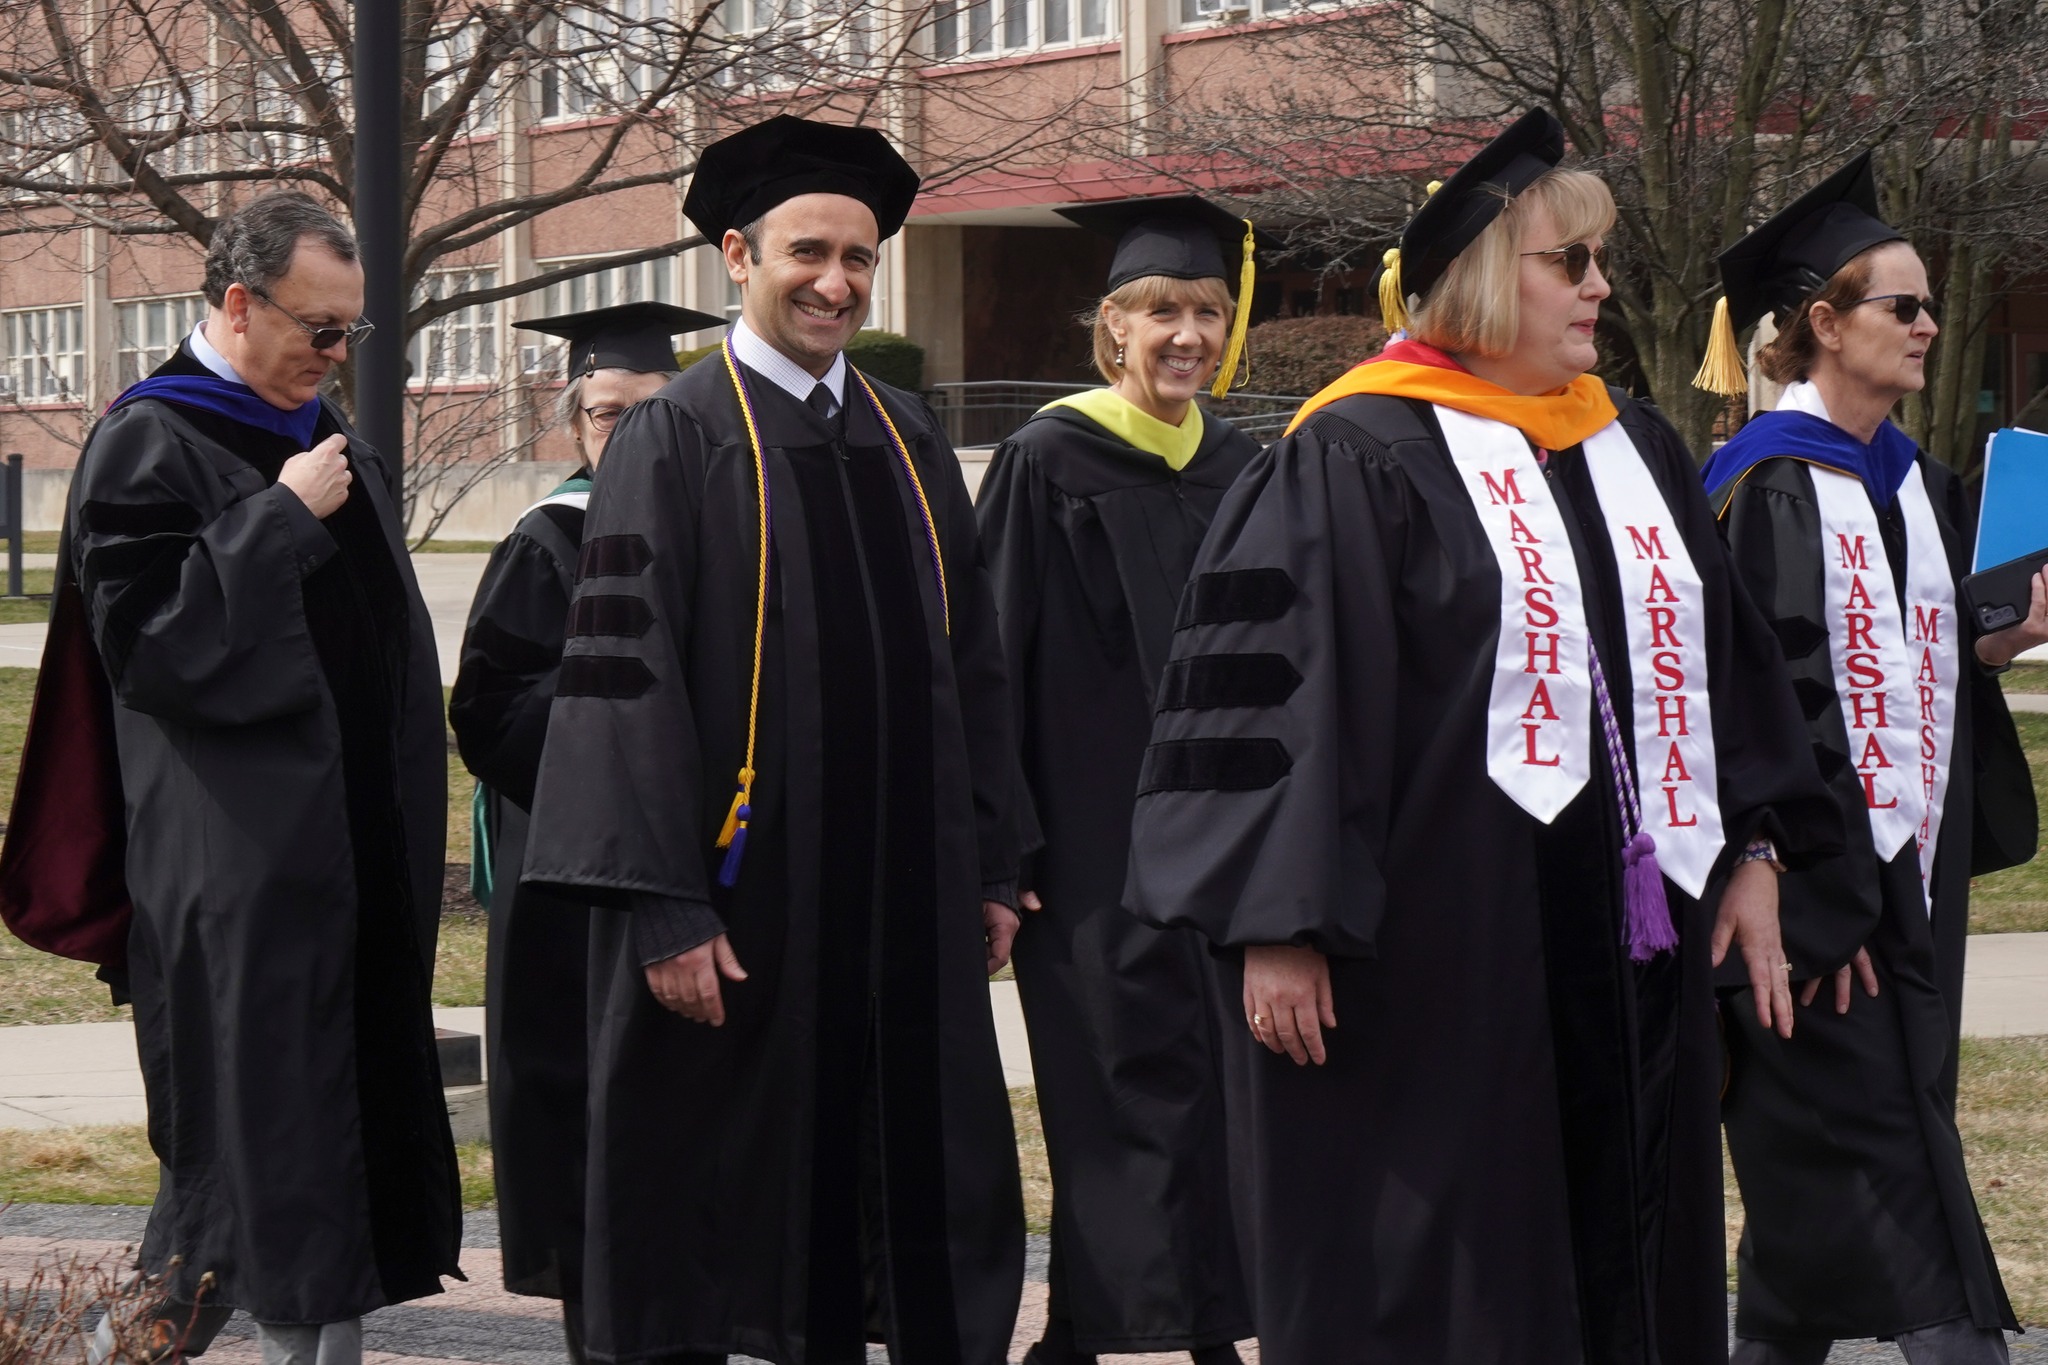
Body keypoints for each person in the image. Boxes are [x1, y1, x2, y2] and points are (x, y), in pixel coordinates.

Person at [1122, 108, 1843, 1364]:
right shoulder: (1350, 453)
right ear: (1480, 279)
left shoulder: (1633, 446)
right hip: (1430, 958)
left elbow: (1722, 669)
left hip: (1631, 953)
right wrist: (1275, 924)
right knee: (1445, 1270)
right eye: (1569, 262)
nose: (1599, 286)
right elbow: (1272, 706)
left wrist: (1757, 851)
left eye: (1599, 261)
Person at [519, 115, 1025, 1365]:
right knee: (717, 1212)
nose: (837, 282)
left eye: (859, 258)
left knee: (904, 1190)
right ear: (737, 256)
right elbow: (620, 687)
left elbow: (972, 667)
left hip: (902, 899)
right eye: (809, 251)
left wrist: (994, 861)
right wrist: (660, 908)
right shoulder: (675, 435)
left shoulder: (910, 442)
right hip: (739, 911)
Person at [5, 191, 460, 1364]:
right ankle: (149, 1340)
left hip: (346, 851)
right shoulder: (150, 437)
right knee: (256, 1142)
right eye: (318, 328)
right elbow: (150, 648)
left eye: (349, 332)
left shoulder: (309, 423)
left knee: (327, 1137)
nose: (333, 354)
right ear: (239, 302)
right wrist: (276, 520)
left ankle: (223, 1336)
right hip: (244, 864)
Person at [1695, 150, 2046, 1365]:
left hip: (1910, 900)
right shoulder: (1756, 490)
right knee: (1902, 1202)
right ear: (1819, 324)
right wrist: (1797, 887)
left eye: (1929, 305)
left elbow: (1913, 690)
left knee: (1807, 1231)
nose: (1927, 325)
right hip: (1811, 910)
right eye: (1900, 305)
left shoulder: (1917, 484)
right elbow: (1741, 712)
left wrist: (1998, 647)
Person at [975, 195, 1260, 1365]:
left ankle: (1211, 1324)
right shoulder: (1046, 460)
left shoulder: (1246, 464)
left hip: (1227, 844)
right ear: (1112, 330)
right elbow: (986, 663)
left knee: (1226, 1091)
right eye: (1159, 313)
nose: (1184, 335)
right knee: (1108, 1089)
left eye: (1205, 312)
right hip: (1090, 845)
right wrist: (1001, 852)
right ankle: (1089, 1326)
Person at [449, 300, 717, 1365]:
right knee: (588, 1103)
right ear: (575, 425)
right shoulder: (547, 537)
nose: (629, 434)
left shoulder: (721, 530)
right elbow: (488, 710)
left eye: (652, 413)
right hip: (572, 874)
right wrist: (619, 735)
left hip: (700, 871)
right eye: (608, 415)